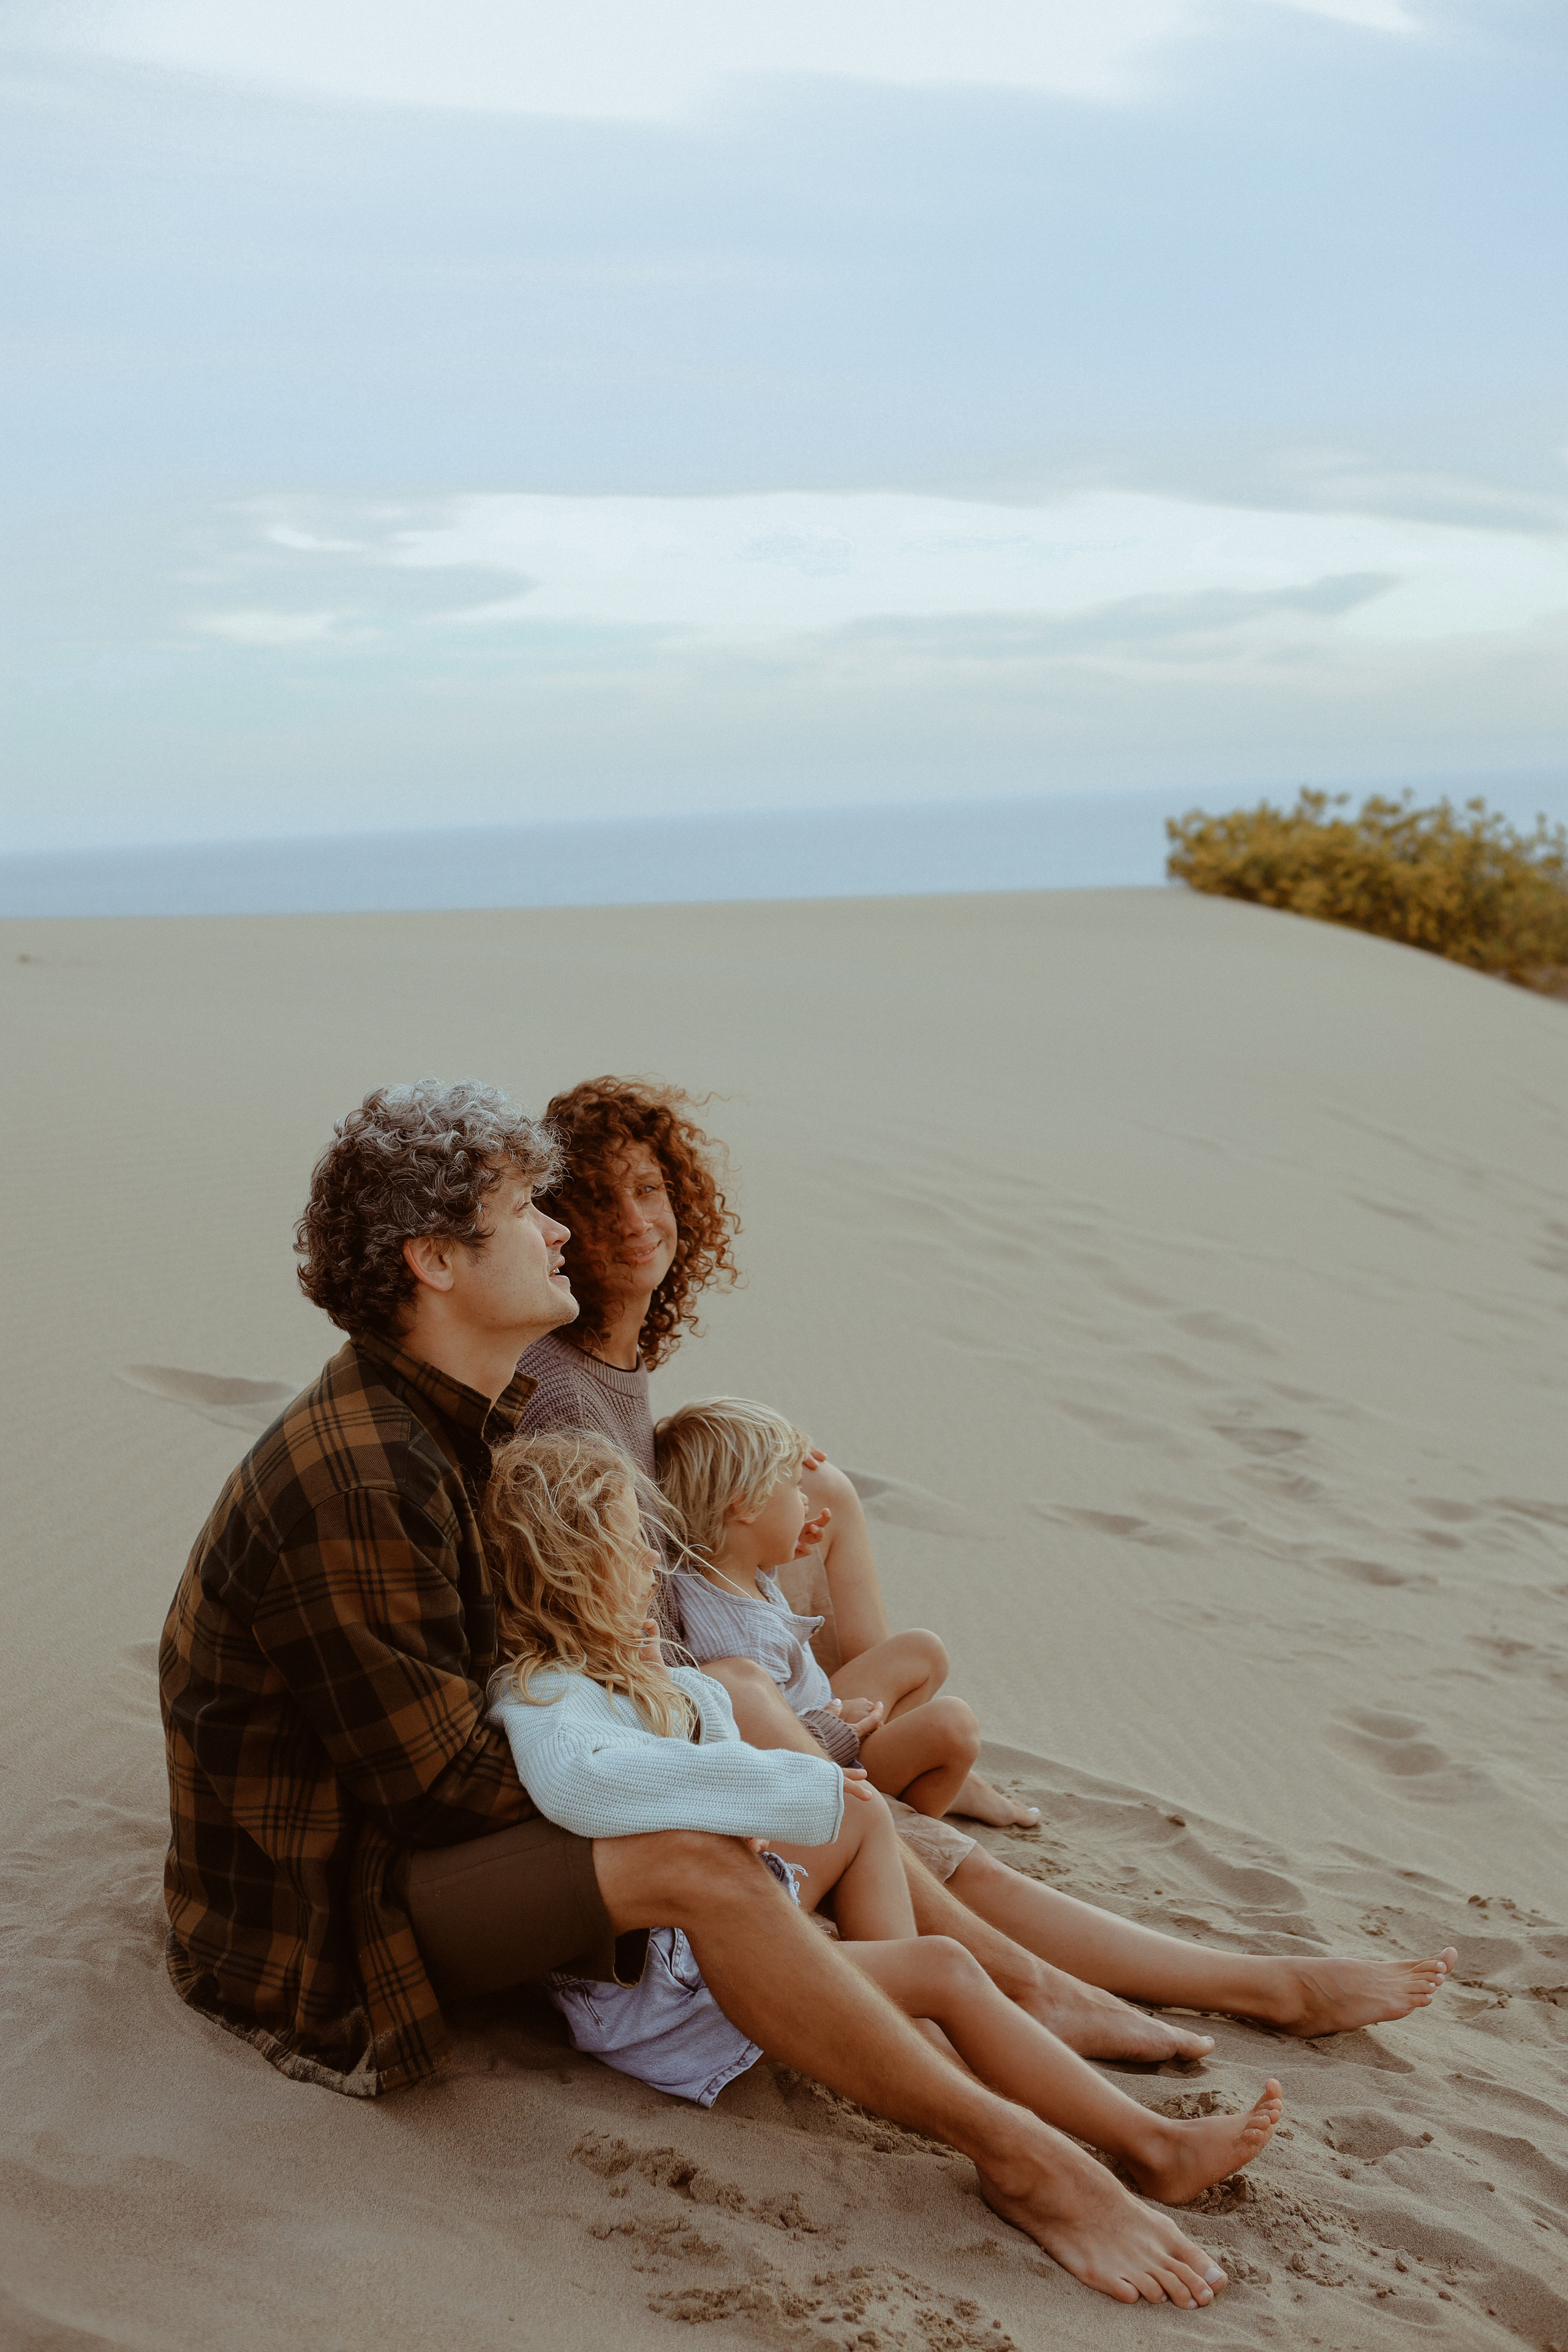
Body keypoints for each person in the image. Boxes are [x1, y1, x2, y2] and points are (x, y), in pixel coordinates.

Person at [157, 1077, 1237, 2310]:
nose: (560, 1229)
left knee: (757, 1818)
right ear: (433, 1263)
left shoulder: (448, 1420)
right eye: (526, 1211)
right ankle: (1024, 2158)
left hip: (411, 1827)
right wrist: (706, 1774)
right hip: (319, 1916)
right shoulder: (361, 1471)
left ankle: (997, 2032)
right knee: (700, 1861)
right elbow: (437, 1786)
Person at [527, 1075, 1460, 2057]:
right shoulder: (562, 1392)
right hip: (689, 1726)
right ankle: (1261, 1988)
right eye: (597, 1201)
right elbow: (616, 1632)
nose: (634, 1221)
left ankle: (907, 1768)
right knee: (942, 1859)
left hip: (726, 1696)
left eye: (651, 1191)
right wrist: (796, 1735)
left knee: (828, 1491)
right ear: (551, 1230)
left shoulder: (612, 1365)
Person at [483, 1425, 1286, 2207]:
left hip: (705, 1942)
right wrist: (781, 1791)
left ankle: (918, 2039)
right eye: (629, 1547)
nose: (652, 1561)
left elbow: (710, 1740)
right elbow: (584, 1784)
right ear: (572, 1572)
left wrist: (677, 1693)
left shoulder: (627, 1669)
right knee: (946, 1966)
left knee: (865, 1821)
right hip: (662, 2002)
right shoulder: (546, 1691)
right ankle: (1153, 2146)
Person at [657, 1394, 984, 1822]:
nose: (806, 1500)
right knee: (954, 1726)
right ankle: (908, 1826)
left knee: (923, 1651)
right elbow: (768, 1739)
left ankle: (900, 1778)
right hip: (826, 1754)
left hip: (827, 1714)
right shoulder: (742, 1641)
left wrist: (783, 1546)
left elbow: (748, 1559)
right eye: (794, 1487)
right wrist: (833, 1720)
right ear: (746, 1505)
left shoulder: (712, 1566)